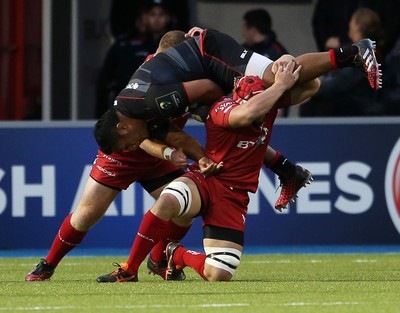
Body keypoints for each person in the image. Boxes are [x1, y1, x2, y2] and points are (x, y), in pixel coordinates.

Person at [24, 30, 308, 282]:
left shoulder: (192, 78)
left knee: (181, 210)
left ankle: (161, 261)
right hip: (126, 154)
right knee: (86, 216)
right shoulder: (148, 81)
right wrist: (170, 151)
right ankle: (48, 265)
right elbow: (140, 138)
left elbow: (201, 128)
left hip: (161, 156)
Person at [96, 61, 319, 282]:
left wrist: (285, 65)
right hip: (209, 179)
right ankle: (129, 269)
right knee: (167, 202)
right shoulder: (224, 109)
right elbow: (248, 114)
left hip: (234, 196)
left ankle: (176, 253)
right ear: (238, 100)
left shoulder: (266, 103)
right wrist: (280, 85)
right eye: (253, 100)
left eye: (262, 99)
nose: (261, 107)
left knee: (219, 274)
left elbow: (312, 85)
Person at [93, 26, 381, 158]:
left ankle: (354, 52)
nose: (132, 148)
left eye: (126, 145)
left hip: (210, 54)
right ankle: (286, 168)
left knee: (273, 79)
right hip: (204, 62)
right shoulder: (135, 110)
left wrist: (220, 110)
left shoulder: (150, 103)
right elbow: (177, 135)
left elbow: (206, 89)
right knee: (298, 88)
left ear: (122, 126)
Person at [95, 0, 174, 118]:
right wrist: (101, 115)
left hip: (165, 108)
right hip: (128, 108)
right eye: (152, 14)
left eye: (161, 14)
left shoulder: (177, 46)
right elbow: (104, 82)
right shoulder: (124, 46)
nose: (157, 19)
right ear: (144, 17)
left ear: (168, 18)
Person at [301, 7, 385, 116]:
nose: (349, 24)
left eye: (352, 21)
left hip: (357, 111)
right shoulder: (368, 52)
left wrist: (312, 90)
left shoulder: (363, 55)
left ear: (357, 27)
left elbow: (340, 81)